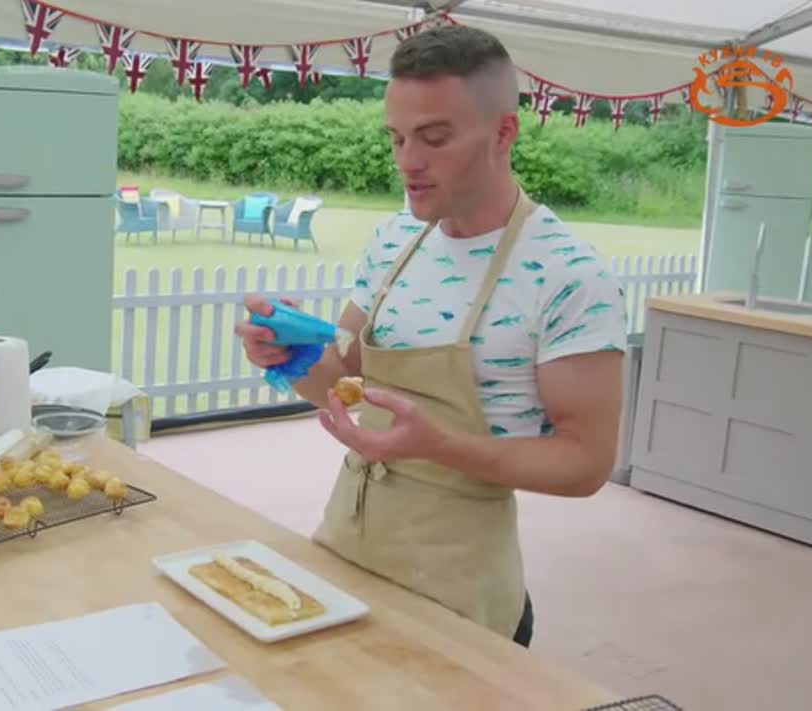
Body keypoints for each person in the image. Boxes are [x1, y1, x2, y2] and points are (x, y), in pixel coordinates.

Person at [234, 24, 628, 648]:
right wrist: (290, 354)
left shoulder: (568, 275)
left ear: (504, 132)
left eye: (434, 138)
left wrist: (441, 446)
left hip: (462, 589)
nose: (407, 161)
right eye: (396, 137)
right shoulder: (394, 240)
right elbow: (344, 383)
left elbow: (584, 464)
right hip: (346, 555)